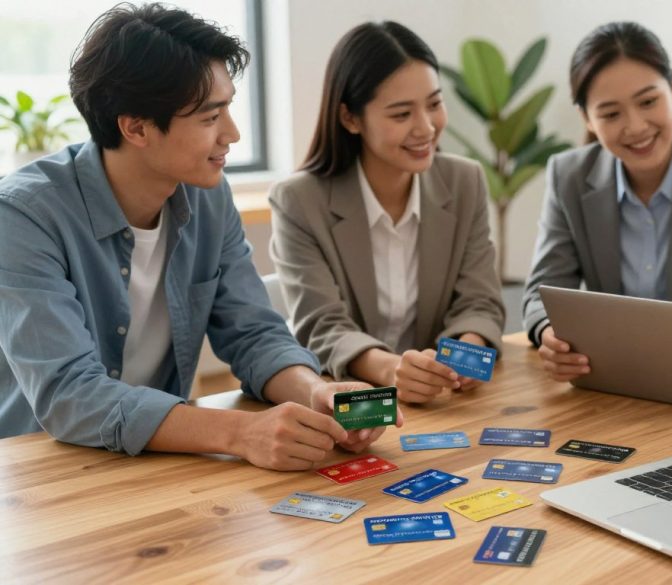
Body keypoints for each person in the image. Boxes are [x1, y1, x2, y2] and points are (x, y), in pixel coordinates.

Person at [0, 4, 398, 470]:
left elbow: (253, 333)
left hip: (161, 458)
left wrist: (316, 392)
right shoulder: (23, 216)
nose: (232, 133)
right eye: (210, 118)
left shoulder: (208, 197)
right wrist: (243, 433)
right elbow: (70, 396)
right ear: (136, 127)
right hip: (43, 472)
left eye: (228, 107)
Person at [269, 21, 505, 405]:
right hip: (353, 400)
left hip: (446, 402)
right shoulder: (299, 200)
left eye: (434, 103)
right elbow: (321, 325)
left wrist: (465, 359)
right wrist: (391, 370)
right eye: (401, 114)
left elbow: (478, 300)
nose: (426, 128)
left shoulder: (465, 181)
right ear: (350, 118)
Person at [522, 21, 672, 382]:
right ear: (586, 118)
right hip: (602, 381)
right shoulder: (568, 175)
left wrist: (598, 335)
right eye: (610, 114)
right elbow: (542, 294)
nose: (635, 126)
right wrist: (551, 335)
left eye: (648, 101)